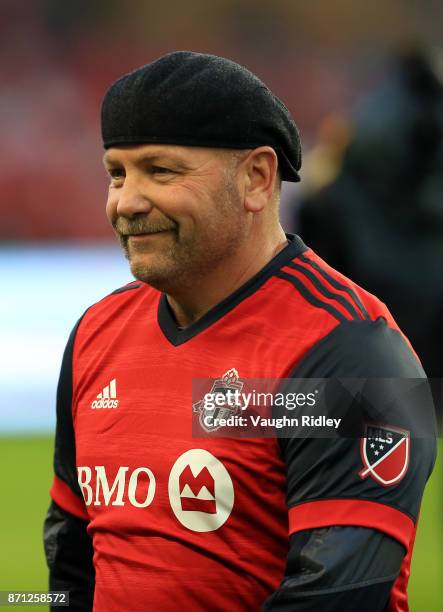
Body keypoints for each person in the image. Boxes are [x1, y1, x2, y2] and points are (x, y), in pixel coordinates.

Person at [44, 51, 435, 612]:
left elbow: (337, 597)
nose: (126, 203)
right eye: (116, 173)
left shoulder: (354, 355)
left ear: (256, 178)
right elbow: (71, 564)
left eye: (161, 170)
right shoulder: (94, 336)